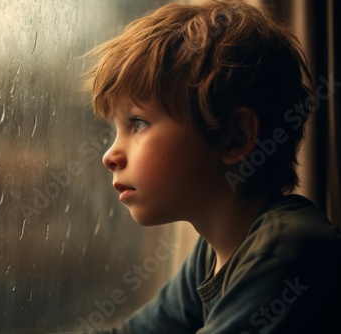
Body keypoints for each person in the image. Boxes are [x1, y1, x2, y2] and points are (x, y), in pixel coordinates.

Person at [83, 0, 341, 333]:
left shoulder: (285, 251)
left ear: (234, 138)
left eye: (138, 123)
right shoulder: (213, 253)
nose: (110, 155)